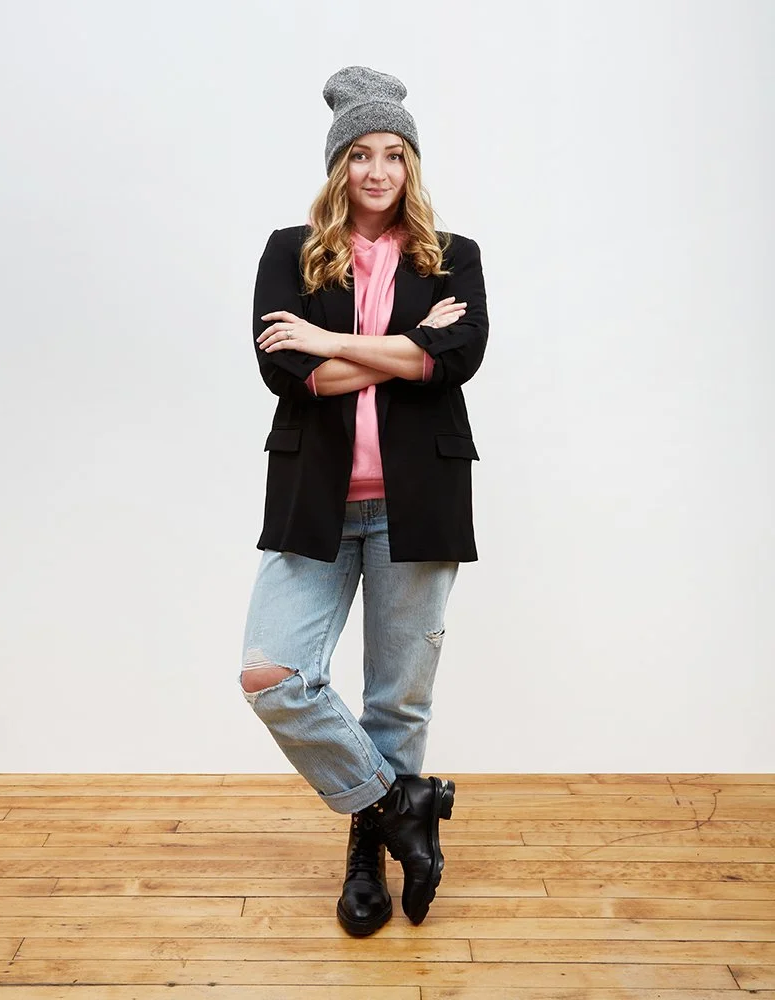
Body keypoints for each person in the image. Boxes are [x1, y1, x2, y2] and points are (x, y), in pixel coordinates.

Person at [238, 65, 489, 937]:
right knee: (273, 674)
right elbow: (287, 372)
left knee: (397, 702)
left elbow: (452, 362)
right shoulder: (289, 251)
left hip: (419, 502)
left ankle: (367, 859)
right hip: (316, 499)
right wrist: (404, 349)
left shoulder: (454, 255)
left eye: (393, 154)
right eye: (360, 154)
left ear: (410, 164)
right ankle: (397, 807)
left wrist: (331, 340)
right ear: (337, 164)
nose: (377, 170)